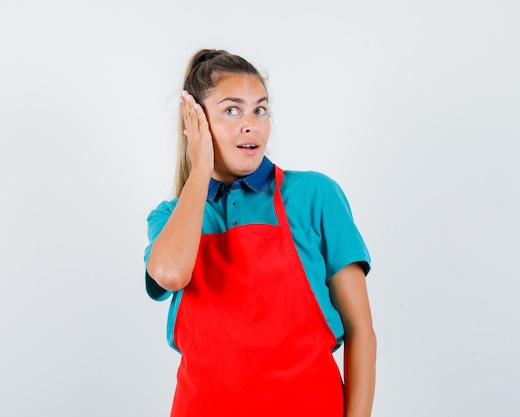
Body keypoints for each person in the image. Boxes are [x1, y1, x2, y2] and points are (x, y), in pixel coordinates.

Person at [144, 48, 376, 417]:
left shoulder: (314, 195)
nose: (250, 124)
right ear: (196, 122)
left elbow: (360, 328)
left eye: (260, 109)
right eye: (232, 110)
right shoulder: (172, 216)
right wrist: (200, 167)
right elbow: (170, 274)